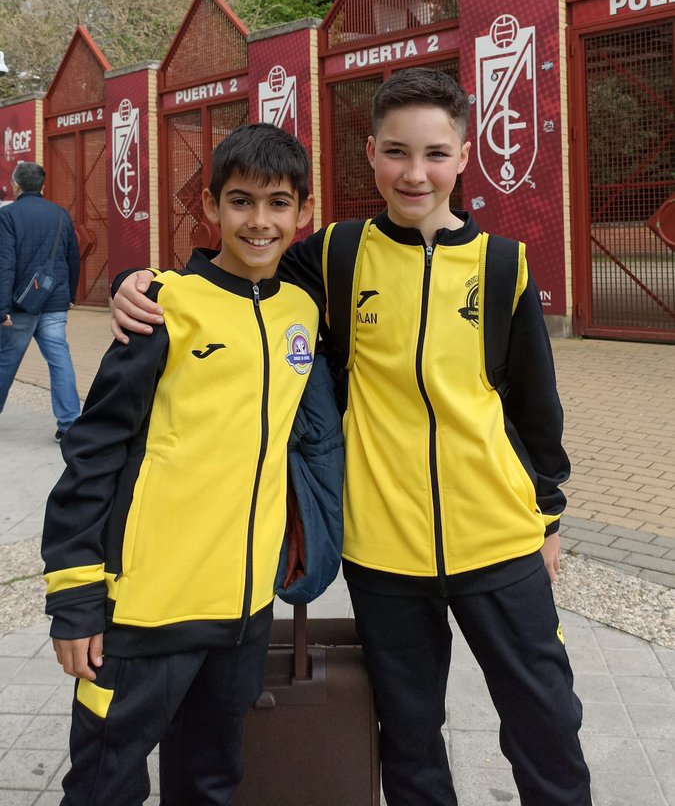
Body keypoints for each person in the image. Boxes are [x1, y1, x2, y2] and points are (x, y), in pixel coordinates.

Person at [111, 70, 591, 806]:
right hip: (383, 550)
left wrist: (547, 513)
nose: (414, 172)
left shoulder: (502, 266)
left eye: (434, 153)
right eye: (396, 152)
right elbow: (236, 266)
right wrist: (135, 281)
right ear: (370, 154)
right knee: (407, 733)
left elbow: (536, 407)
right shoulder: (336, 254)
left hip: (499, 538)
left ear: (463, 155)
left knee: (546, 721)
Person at [42, 123, 343, 806]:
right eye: (240, 202)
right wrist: (74, 599)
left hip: (241, 614)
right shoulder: (161, 307)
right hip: (143, 610)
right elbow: (93, 450)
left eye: (277, 204)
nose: (258, 221)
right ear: (209, 208)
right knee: (105, 783)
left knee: (210, 780)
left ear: (304, 215)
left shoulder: (302, 310)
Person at [0, 161, 81, 440]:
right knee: (60, 361)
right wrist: (70, 294)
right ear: (43, 186)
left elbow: (5, 263)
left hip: (20, 304)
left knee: (6, 361)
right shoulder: (61, 214)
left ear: (16, 185)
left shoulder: (8, 216)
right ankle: (70, 424)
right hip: (55, 300)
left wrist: (1, 308)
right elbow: (73, 258)